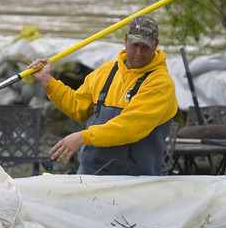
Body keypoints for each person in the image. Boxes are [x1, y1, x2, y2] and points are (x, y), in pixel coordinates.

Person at [27, 15, 178, 175]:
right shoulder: (106, 71)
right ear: (125, 40)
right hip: (89, 173)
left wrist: (83, 137)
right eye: (135, 45)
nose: (139, 53)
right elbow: (77, 107)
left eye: (145, 47)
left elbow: (129, 127)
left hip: (134, 182)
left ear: (156, 45)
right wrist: (47, 81)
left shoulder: (161, 84)